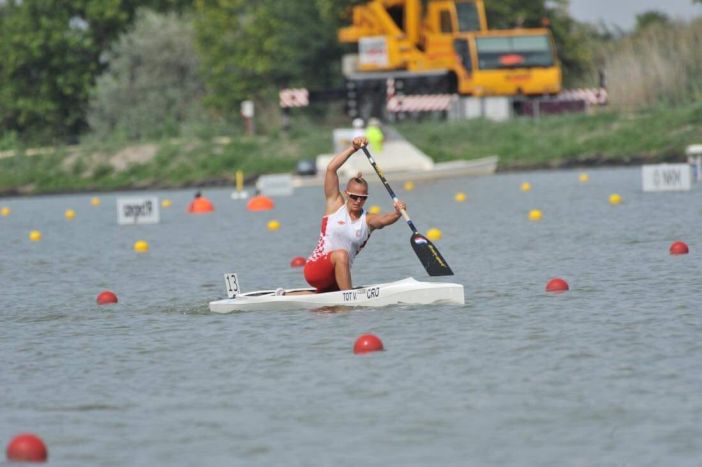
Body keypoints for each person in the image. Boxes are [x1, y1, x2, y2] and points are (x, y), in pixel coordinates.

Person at [303, 136, 407, 292]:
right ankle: (349, 298)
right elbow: (331, 169)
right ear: (346, 194)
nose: (358, 200)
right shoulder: (335, 205)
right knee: (341, 255)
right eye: (354, 196)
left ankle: (284, 296)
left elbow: (383, 219)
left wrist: (397, 213)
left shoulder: (368, 220)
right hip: (315, 269)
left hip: (334, 275)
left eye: (363, 198)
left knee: (329, 309)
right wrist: (353, 148)